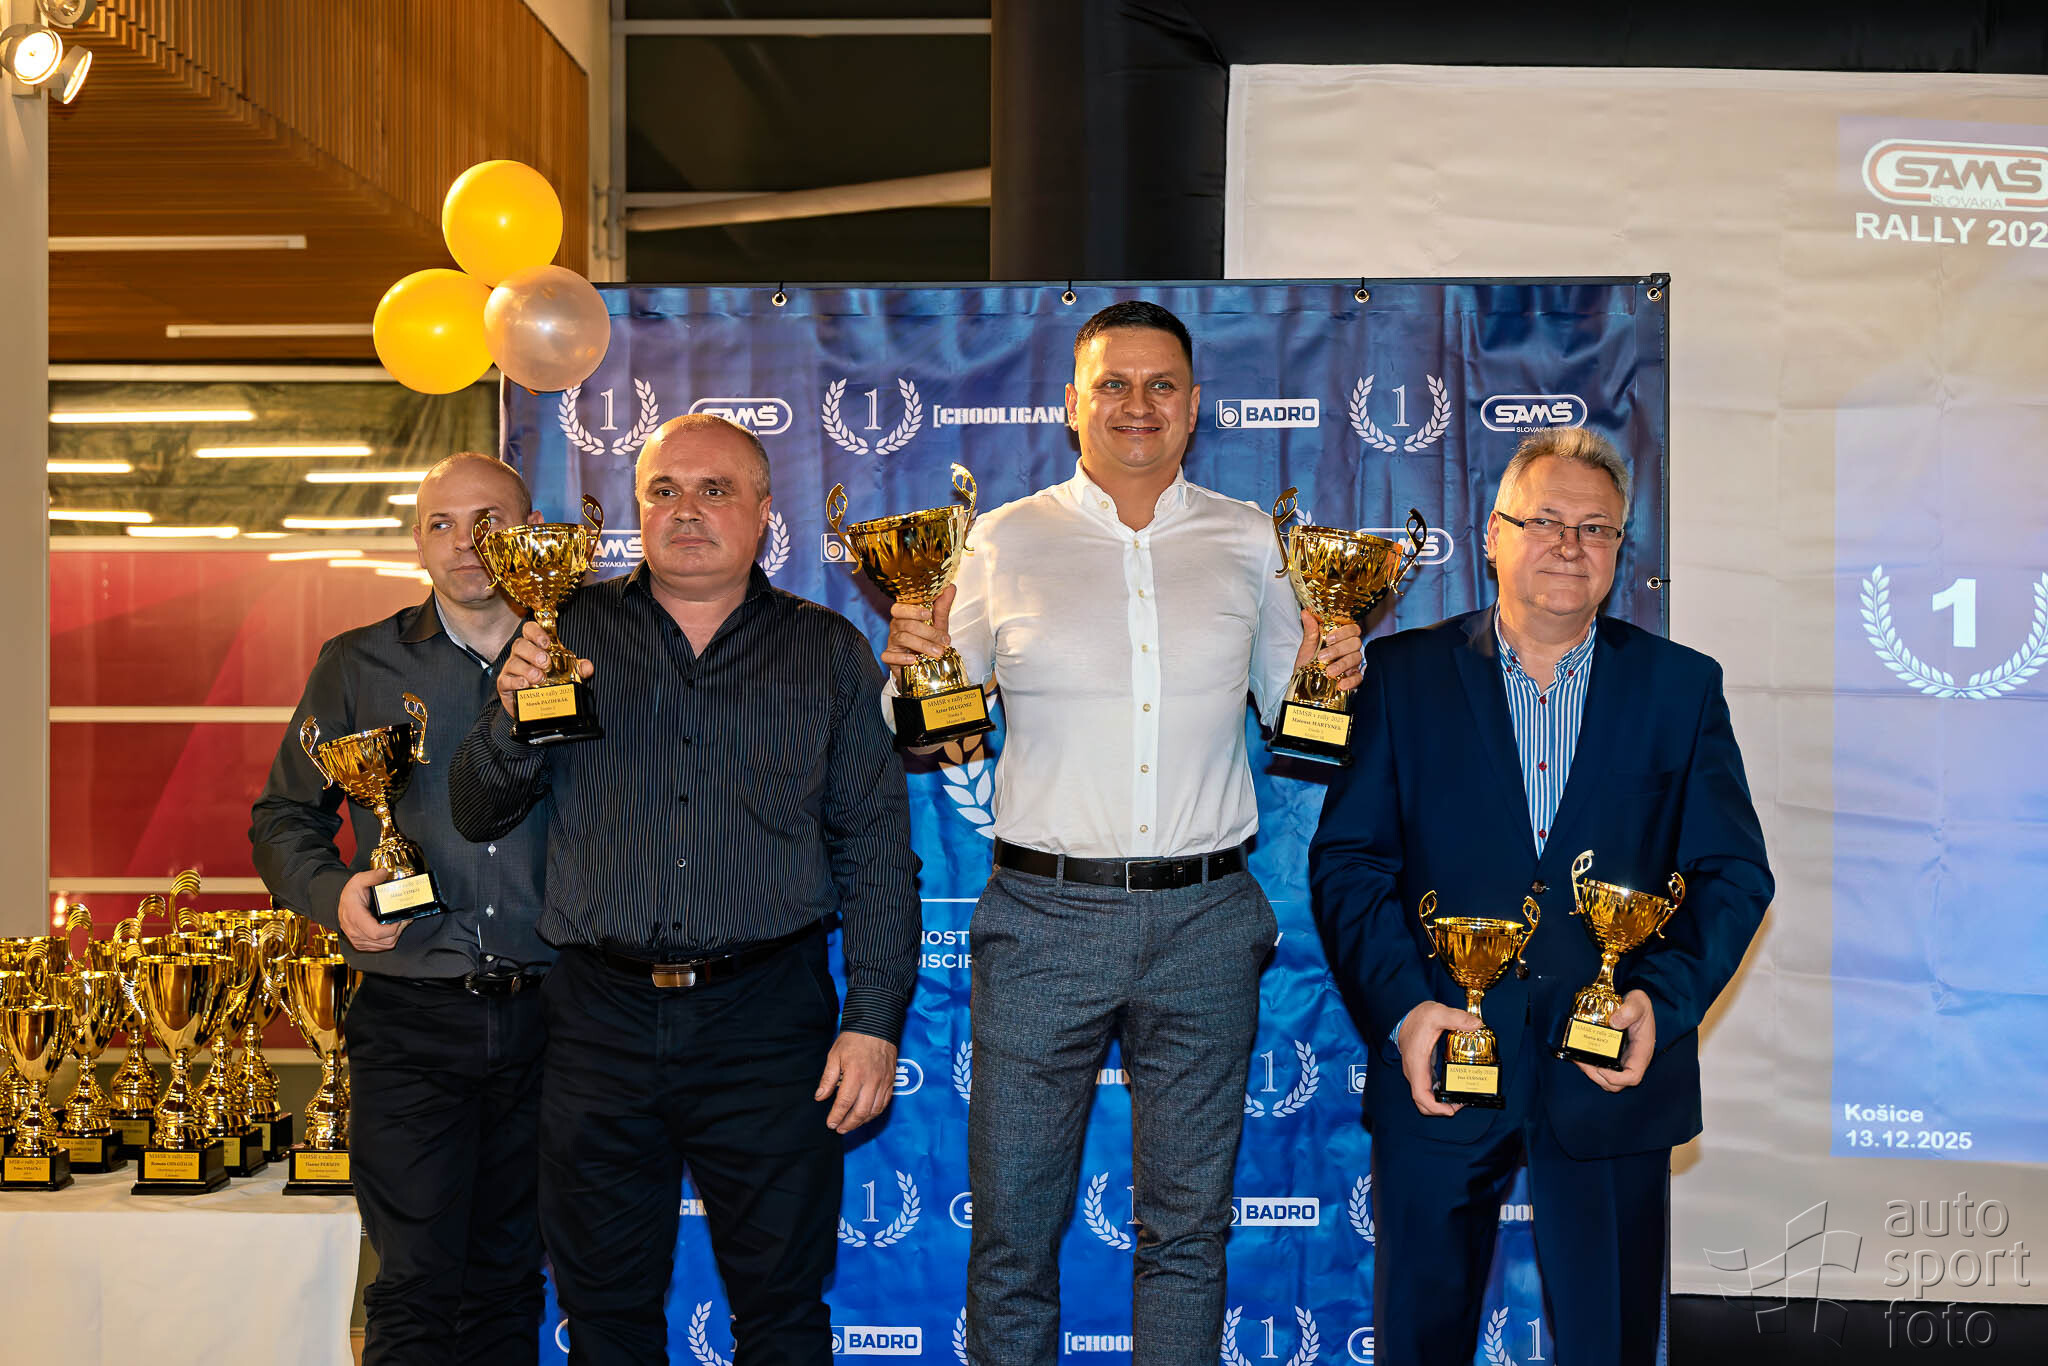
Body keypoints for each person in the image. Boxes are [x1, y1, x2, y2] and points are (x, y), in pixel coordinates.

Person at [883, 300, 1364, 1365]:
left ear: (1193, 406)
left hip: (1207, 920)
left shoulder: (1252, 541)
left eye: (1159, 385)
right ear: (1071, 404)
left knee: (1187, 1233)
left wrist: (1331, 674)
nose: (1135, 404)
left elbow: (1295, 718)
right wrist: (913, 666)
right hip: (1042, 918)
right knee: (1012, 1235)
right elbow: (926, 722)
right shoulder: (1002, 540)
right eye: (1112, 383)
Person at [448, 413, 920, 1366]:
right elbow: (477, 808)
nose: (687, 510)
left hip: (767, 1022)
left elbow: (874, 847)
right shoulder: (561, 632)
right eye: (664, 491)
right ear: (638, 510)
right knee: (604, 1313)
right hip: (599, 1025)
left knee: (782, 1314)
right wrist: (508, 720)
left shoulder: (827, 650)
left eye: (715, 490)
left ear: (764, 513)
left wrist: (872, 1022)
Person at [1309, 427, 1774, 1365]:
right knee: (1418, 1342)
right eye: (1546, 521)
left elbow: (1733, 873)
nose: (1570, 544)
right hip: (1441, 1066)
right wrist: (1405, 1012)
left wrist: (1659, 1003)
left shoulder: (1681, 688)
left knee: (1609, 1345)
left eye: (1596, 528)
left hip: (1608, 1078)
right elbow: (1350, 864)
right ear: (1493, 535)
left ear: (1620, 550)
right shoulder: (1401, 678)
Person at [250, 452, 552, 1366]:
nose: (466, 545)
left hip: (561, 1017)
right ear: (416, 543)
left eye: (490, 522)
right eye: (442, 525)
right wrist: (334, 891)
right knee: (416, 1285)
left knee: (512, 1278)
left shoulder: (586, 656)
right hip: (412, 1015)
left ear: (532, 533)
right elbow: (283, 818)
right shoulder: (358, 663)